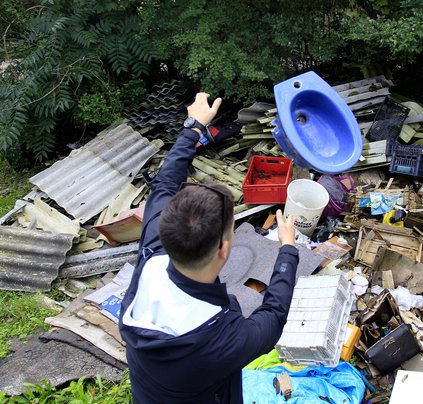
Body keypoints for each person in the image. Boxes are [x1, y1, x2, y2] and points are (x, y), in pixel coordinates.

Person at [119, 92, 300, 403]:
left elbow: (164, 184)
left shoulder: (151, 257)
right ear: (223, 249)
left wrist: (194, 127)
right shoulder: (222, 338)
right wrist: (287, 250)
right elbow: (274, 314)